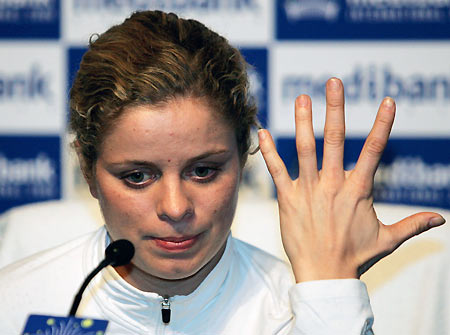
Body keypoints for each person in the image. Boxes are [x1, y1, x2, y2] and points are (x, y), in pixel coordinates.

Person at [0, 10, 445, 335]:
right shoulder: (13, 302)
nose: (175, 208)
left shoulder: (300, 307)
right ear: (89, 171)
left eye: (204, 171)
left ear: (242, 158)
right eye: (137, 176)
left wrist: (330, 290)